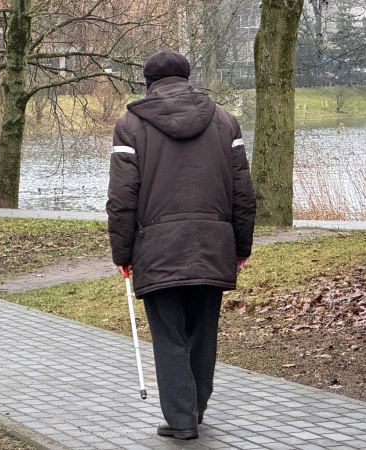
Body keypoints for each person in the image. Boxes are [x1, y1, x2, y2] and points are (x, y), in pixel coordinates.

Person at [106, 50, 257, 440]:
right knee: (204, 331)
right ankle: (195, 410)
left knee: (169, 335)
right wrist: (241, 246)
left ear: (148, 81)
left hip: (157, 248)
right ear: (187, 77)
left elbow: (122, 198)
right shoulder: (225, 121)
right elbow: (243, 192)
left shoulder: (130, 125)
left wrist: (122, 254)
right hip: (213, 243)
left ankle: (181, 419)